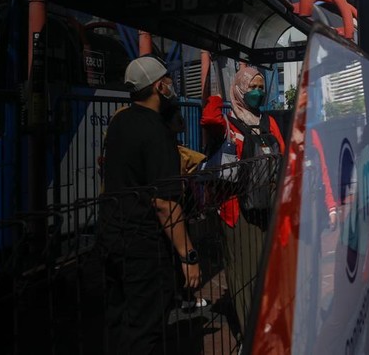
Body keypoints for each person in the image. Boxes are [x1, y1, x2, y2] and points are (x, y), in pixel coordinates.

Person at [100, 55, 200, 354]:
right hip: (143, 245)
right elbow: (164, 204)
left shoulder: (119, 122)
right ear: (159, 86)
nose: (171, 84)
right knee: (146, 329)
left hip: (112, 235)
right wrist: (188, 256)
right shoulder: (156, 132)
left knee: (119, 320)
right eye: (168, 79)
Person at [200, 65, 285, 340]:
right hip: (236, 211)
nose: (257, 92)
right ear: (239, 89)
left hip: (265, 207)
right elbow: (208, 118)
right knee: (243, 273)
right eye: (252, 87)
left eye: (261, 87)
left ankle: (263, 324)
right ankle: (249, 335)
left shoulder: (267, 122)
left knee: (263, 268)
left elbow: (282, 154)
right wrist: (216, 95)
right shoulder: (226, 123)